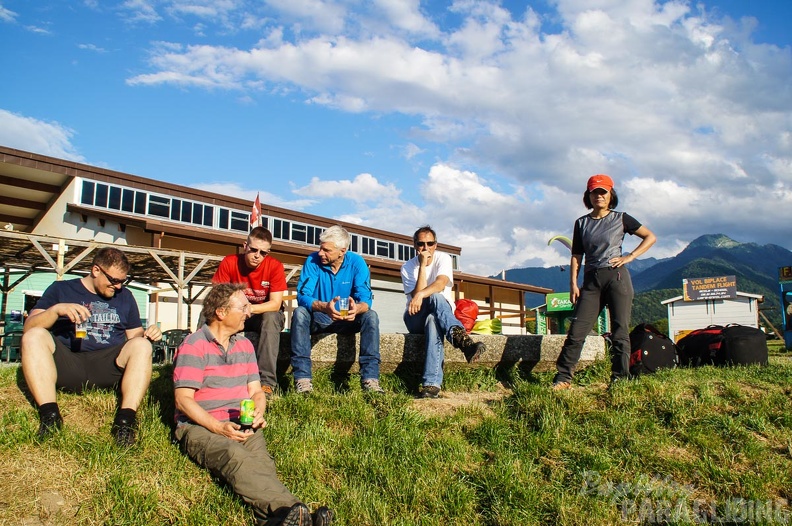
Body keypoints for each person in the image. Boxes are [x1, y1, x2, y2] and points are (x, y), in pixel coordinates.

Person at [173, 284, 332, 526]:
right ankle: (298, 515)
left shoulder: (245, 345)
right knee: (235, 456)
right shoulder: (194, 345)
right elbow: (183, 400)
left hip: (242, 421)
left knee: (262, 464)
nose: (249, 312)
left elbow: (256, 391)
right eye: (243, 307)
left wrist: (259, 411)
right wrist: (217, 427)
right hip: (200, 426)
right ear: (221, 312)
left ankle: (280, 519)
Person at [21, 247, 161, 446]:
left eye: (123, 281)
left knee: (142, 346)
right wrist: (56, 310)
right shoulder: (61, 289)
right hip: (67, 362)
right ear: (96, 270)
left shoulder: (126, 297)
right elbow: (29, 327)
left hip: (107, 365)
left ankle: (125, 422)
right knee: (34, 336)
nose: (119, 286)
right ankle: (50, 416)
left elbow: (135, 336)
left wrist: (148, 334)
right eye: (114, 280)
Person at [552, 174, 656, 390]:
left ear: (610, 195)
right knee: (576, 331)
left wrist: (630, 257)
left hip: (617, 277)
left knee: (620, 332)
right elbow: (576, 256)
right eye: (594, 192)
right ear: (588, 195)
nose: (598, 196)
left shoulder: (621, 218)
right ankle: (563, 379)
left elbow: (650, 237)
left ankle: (619, 378)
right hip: (591, 281)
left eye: (603, 192)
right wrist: (573, 284)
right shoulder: (581, 223)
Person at [291, 225, 383, 394]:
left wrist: (357, 308)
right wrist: (324, 307)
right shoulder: (312, 261)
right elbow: (302, 296)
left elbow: (366, 299)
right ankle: (302, 378)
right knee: (300, 313)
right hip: (320, 316)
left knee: (371, 315)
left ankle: (370, 379)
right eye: (320, 248)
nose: (320, 253)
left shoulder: (357, 263)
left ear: (342, 251)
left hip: (348, 318)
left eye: (326, 250)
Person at [400, 226, 486, 399]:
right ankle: (463, 341)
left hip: (438, 316)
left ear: (436, 245)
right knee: (436, 299)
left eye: (430, 243)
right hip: (415, 316)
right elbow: (418, 297)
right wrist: (423, 266)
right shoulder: (408, 267)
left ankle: (431, 385)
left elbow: (440, 284)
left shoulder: (444, 259)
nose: (426, 248)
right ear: (415, 245)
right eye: (421, 244)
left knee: (433, 318)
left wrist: (422, 294)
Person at [213, 226, 287, 398]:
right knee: (209, 313)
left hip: (261, 314)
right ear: (245, 245)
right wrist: (237, 311)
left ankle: (266, 383)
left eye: (263, 252)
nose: (257, 256)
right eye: (253, 250)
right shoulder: (229, 262)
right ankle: (206, 370)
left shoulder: (275, 266)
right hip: (234, 313)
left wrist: (249, 308)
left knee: (271, 317)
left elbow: (275, 304)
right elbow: (218, 297)